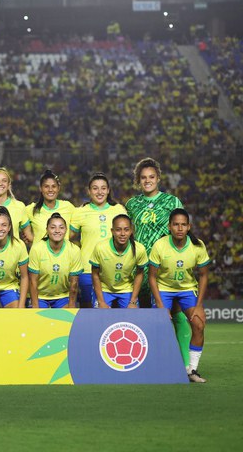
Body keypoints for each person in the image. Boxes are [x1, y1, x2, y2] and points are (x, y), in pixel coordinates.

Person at [125, 157, 190, 368]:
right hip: (139, 268)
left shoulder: (172, 202)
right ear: (138, 180)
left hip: (164, 269)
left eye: (151, 177)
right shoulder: (131, 204)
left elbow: (182, 232)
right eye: (143, 177)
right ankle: (148, 363)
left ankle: (184, 365)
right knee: (145, 317)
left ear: (158, 178)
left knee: (176, 314)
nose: (147, 181)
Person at [148, 209, 210, 383]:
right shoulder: (160, 245)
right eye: (176, 224)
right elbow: (151, 277)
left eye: (183, 225)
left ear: (189, 227)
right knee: (161, 324)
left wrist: (199, 305)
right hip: (164, 288)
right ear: (169, 227)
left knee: (198, 324)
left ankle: (192, 370)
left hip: (187, 289)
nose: (180, 228)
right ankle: (160, 367)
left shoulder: (198, 246)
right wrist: (160, 305)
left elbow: (204, 275)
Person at [70, 173, 127, 308]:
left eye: (103, 188)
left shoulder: (118, 209)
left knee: (116, 313)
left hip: (114, 268)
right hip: (87, 269)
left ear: (108, 190)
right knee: (89, 311)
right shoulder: (80, 212)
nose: (99, 192)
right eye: (95, 188)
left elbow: (127, 236)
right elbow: (65, 238)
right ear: (89, 191)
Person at [90, 214, 147, 309]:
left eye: (126, 230)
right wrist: (101, 301)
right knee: (100, 315)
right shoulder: (100, 248)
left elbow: (140, 274)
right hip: (104, 289)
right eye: (118, 230)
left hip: (126, 289)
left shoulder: (139, 249)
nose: (122, 234)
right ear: (112, 231)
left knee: (133, 315)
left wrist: (133, 301)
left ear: (131, 231)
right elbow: (95, 274)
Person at [28, 213, 83, 308]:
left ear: (66, 230)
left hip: (63, 296)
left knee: (65, 317)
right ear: (47, 230)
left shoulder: (74, 250)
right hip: (40, 296)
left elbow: (74, 283)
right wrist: (35, 307)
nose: (57, 231)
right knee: (37, 317)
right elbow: (33, 281)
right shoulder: (37, 249)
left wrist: (71, 306)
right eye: (53, 227)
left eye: (61, 227)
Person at [27, 170, 75, 245]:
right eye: (46, 186)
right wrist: (31, 240)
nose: (50, 190)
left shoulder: (68, 207)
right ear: (40, 188)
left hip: (64, 252)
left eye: (54, 186)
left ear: (58, 188)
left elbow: (76, 228)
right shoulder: (31, 209)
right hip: (39, 252)